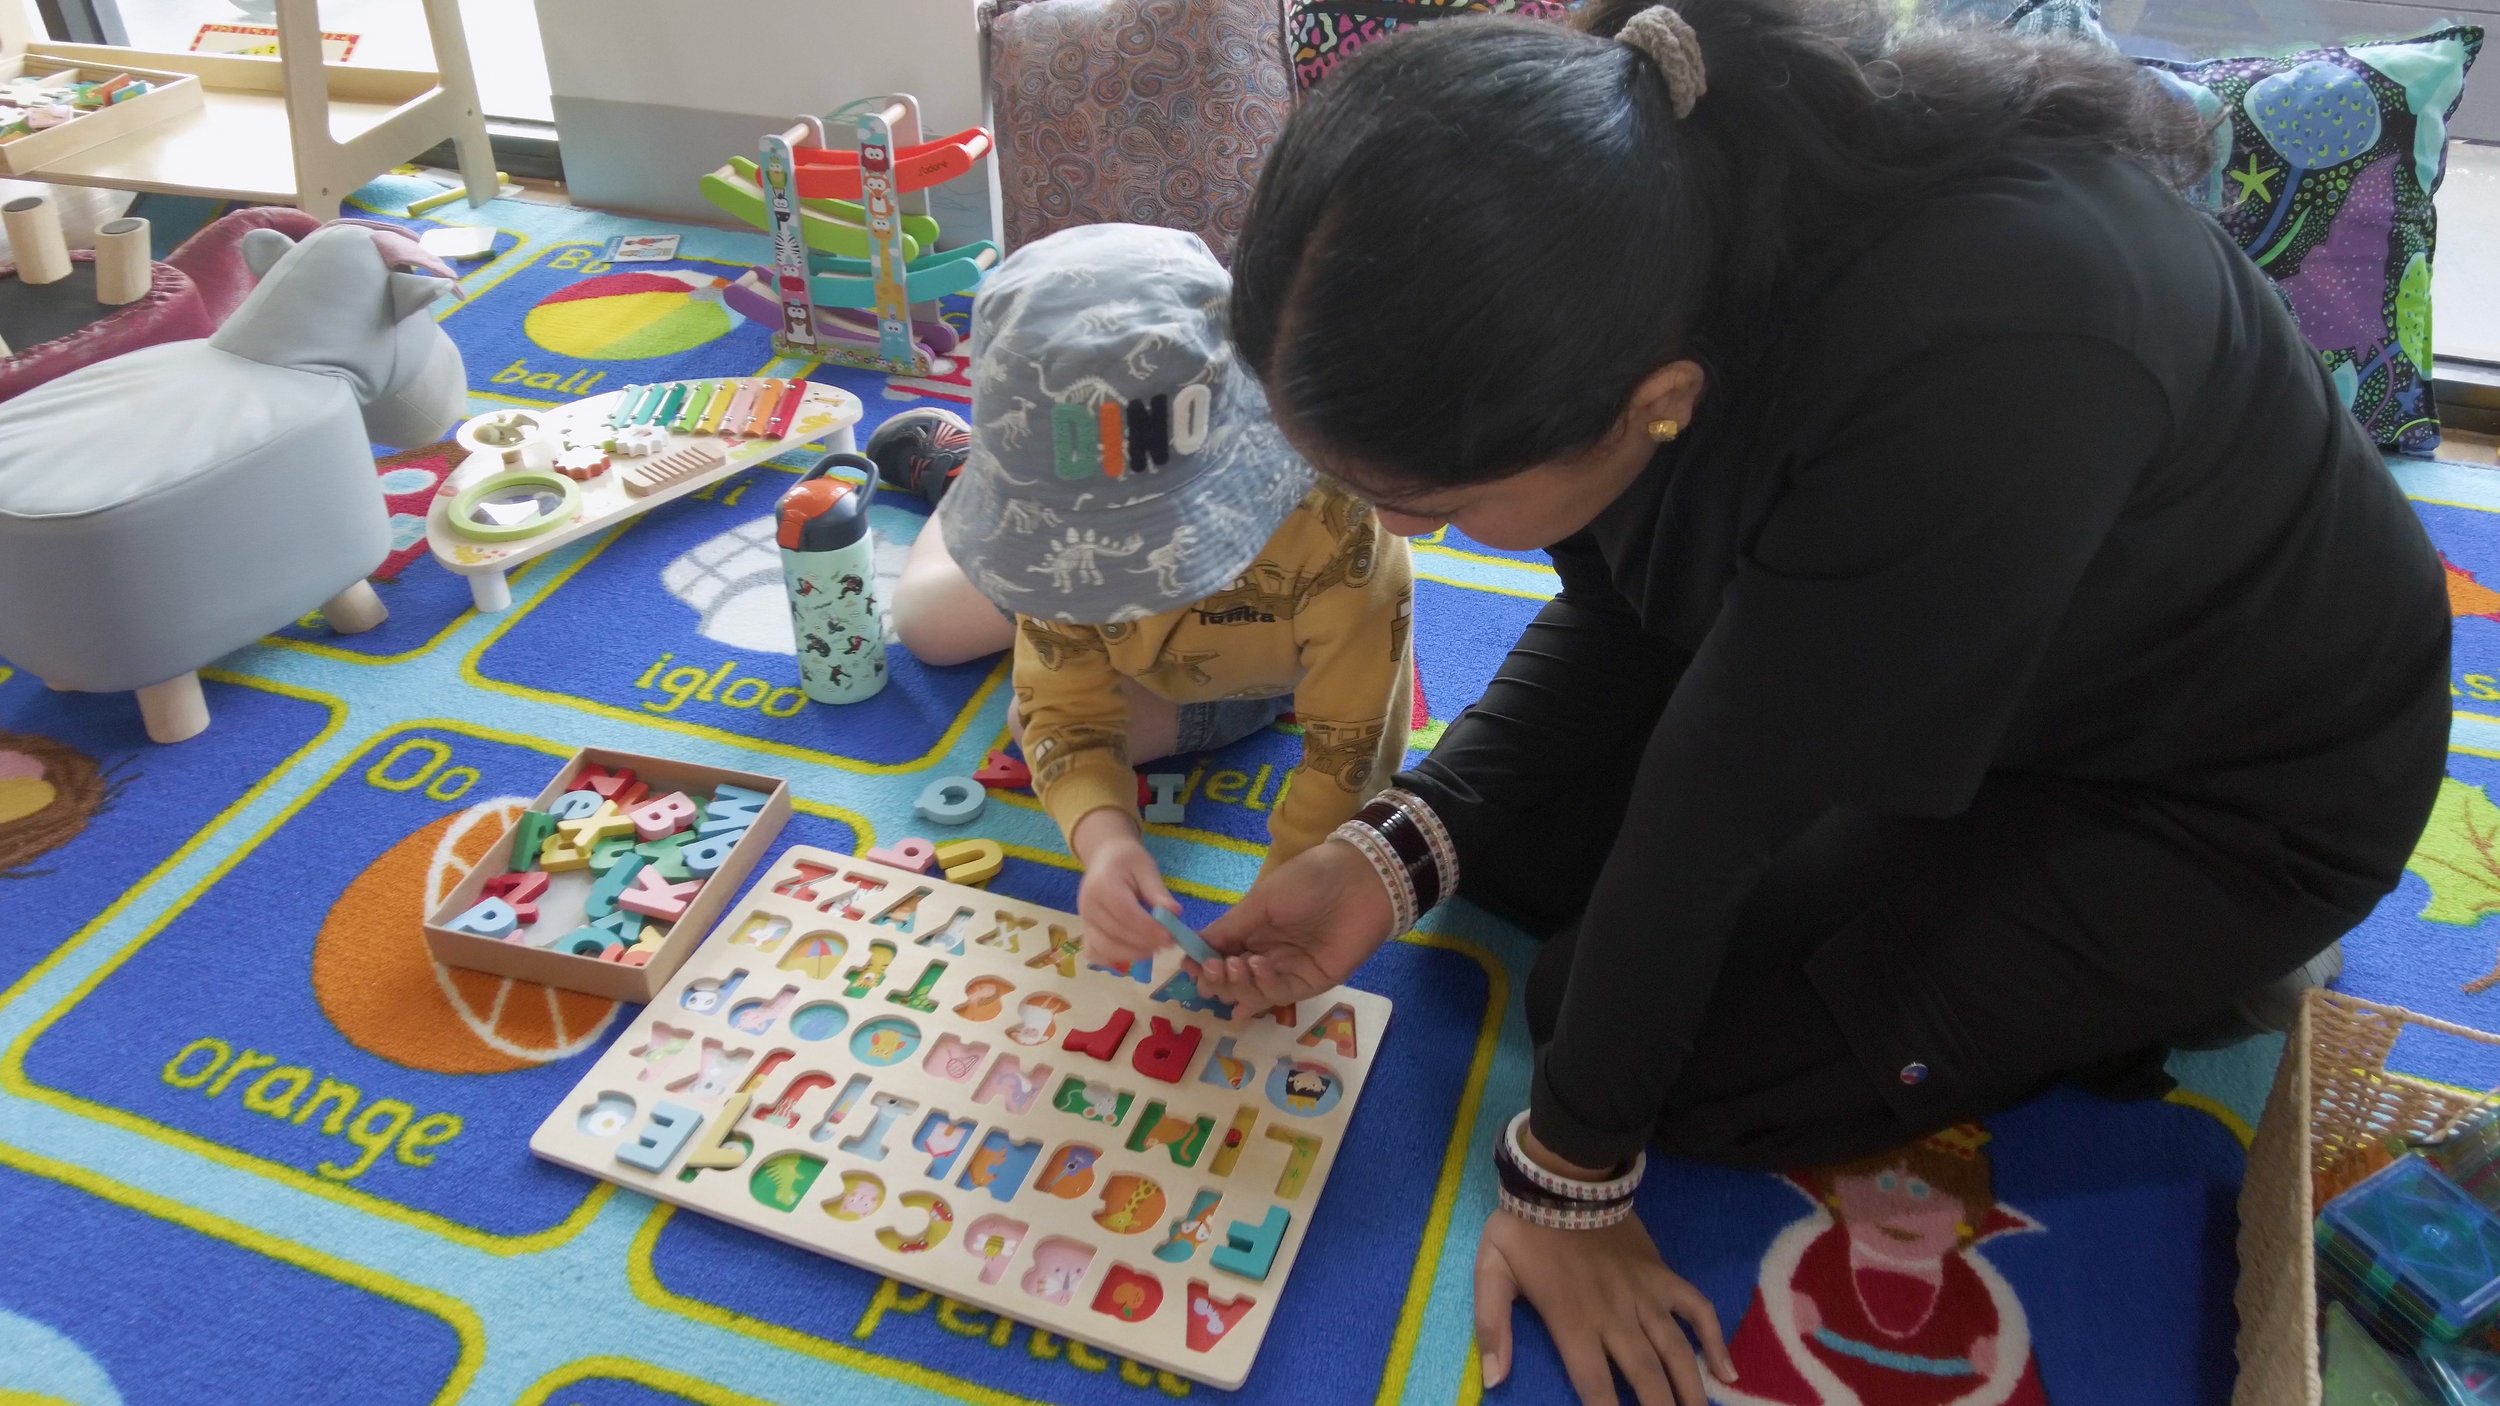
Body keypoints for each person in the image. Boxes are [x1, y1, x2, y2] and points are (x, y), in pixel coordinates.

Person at [1188, 1, 2452, 1402]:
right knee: (1524, 854)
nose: (1401, 535)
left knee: (1669, 1052)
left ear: (1655, 400)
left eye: (1430, 507)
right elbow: (1628, 620)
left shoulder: (1981, 358)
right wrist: (1393, 845)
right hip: (1948, 638)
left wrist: (1569, 1177)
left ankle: (2187, 973)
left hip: (2228, 787)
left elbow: (1712, 803)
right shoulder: (1635, 245)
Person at [906, 222, 1414, 965]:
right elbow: (1065, 709)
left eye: (1152, 552)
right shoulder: (1062, 548)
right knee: (927, 626)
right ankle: (960, 480)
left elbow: (1351, 755)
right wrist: (1105, 843)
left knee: (1026, 719)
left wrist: (1295, 892)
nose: (1126, 585)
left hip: (1255, 670)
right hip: (1058, 555)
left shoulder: (1343, 537)